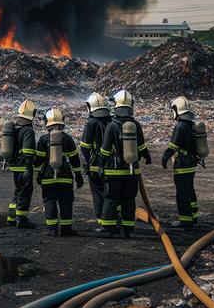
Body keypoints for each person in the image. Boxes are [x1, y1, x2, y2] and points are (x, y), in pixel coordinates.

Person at [97, 89, 151, 238]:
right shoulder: (136, 125)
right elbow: (142, 147)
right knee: (129, 200)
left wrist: (100, 165)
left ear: (116, 106)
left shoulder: (111, 126)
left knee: (111, 200)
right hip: (132, 172)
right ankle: (128, 229)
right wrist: (147, 157)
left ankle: (108, 228)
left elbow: (105, 150)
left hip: (114, 172)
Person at [32, 108, 84, 236]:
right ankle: (66, 229)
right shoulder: (68, 139)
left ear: (47, 123)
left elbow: (38, 160)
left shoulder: (43, 139)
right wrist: (78, 176)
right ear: (62, 122)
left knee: (49, 201)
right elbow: (75, 160)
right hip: (66, 177)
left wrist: (37, 174)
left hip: (48, 177)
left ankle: (52, 229)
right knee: (66, 202)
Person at [162, 96, 201, 227]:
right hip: (191, 162)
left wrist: (165, 157)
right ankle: (194, 216)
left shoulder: (180, 126)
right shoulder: (190, 124)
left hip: (183, 164)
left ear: (177, 110)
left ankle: (185, 221)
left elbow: (173, 145)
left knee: (182, 193)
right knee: (189, 190)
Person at [79, 92, 112, 230]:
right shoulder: (112, 122)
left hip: (95, 166)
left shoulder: (91, 124)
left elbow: (85, 146)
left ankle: (103, 223)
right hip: (113, 166)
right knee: (111, 195)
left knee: (98, 194)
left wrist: (86, 164)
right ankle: (114, 220)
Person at [6, 100, 38, 229]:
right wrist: (28, 168)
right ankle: (21, 219)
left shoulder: (15, 127)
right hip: (24, 166)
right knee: (25, 191)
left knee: (18, 191)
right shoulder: (27, 130)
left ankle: (11, 218)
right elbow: (28, 151)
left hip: (15, 165)